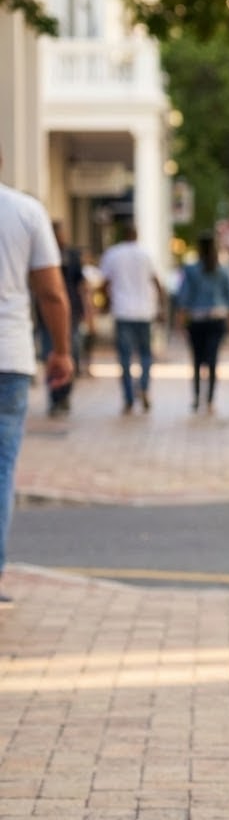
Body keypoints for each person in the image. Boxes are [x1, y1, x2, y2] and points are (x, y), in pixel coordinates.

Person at [0, 149, 74, 604]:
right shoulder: (26, 212)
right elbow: (51, 294)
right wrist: (61, 351)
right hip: (10, 358)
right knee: (2, 471)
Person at [99, 225, 165, 414]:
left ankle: (128, 397)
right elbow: (157, 282)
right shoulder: (146, 254)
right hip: (145, 312)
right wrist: (160, 307)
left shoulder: (113, 254)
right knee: (145, 354)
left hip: (123, 311)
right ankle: (143, 387)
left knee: (125, 357)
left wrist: (106, 303)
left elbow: (104, 283)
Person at [37, 220, 91, 416]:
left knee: (70, 355)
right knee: (50, 356)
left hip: (72, 314)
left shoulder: (72, 256)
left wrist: (87, 310)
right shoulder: (40, 253)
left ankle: (65, 395)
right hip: (46, 316)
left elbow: (82, 285)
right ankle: (54, 398)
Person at [176, 234, 229, 412]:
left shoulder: (191, 270)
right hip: (217, 319)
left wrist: (181, 318)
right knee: (213, 359)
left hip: (197, 320)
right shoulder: (222, 270)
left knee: (197, 360)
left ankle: (196, 397)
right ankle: (210, 399)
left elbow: (183, 296)